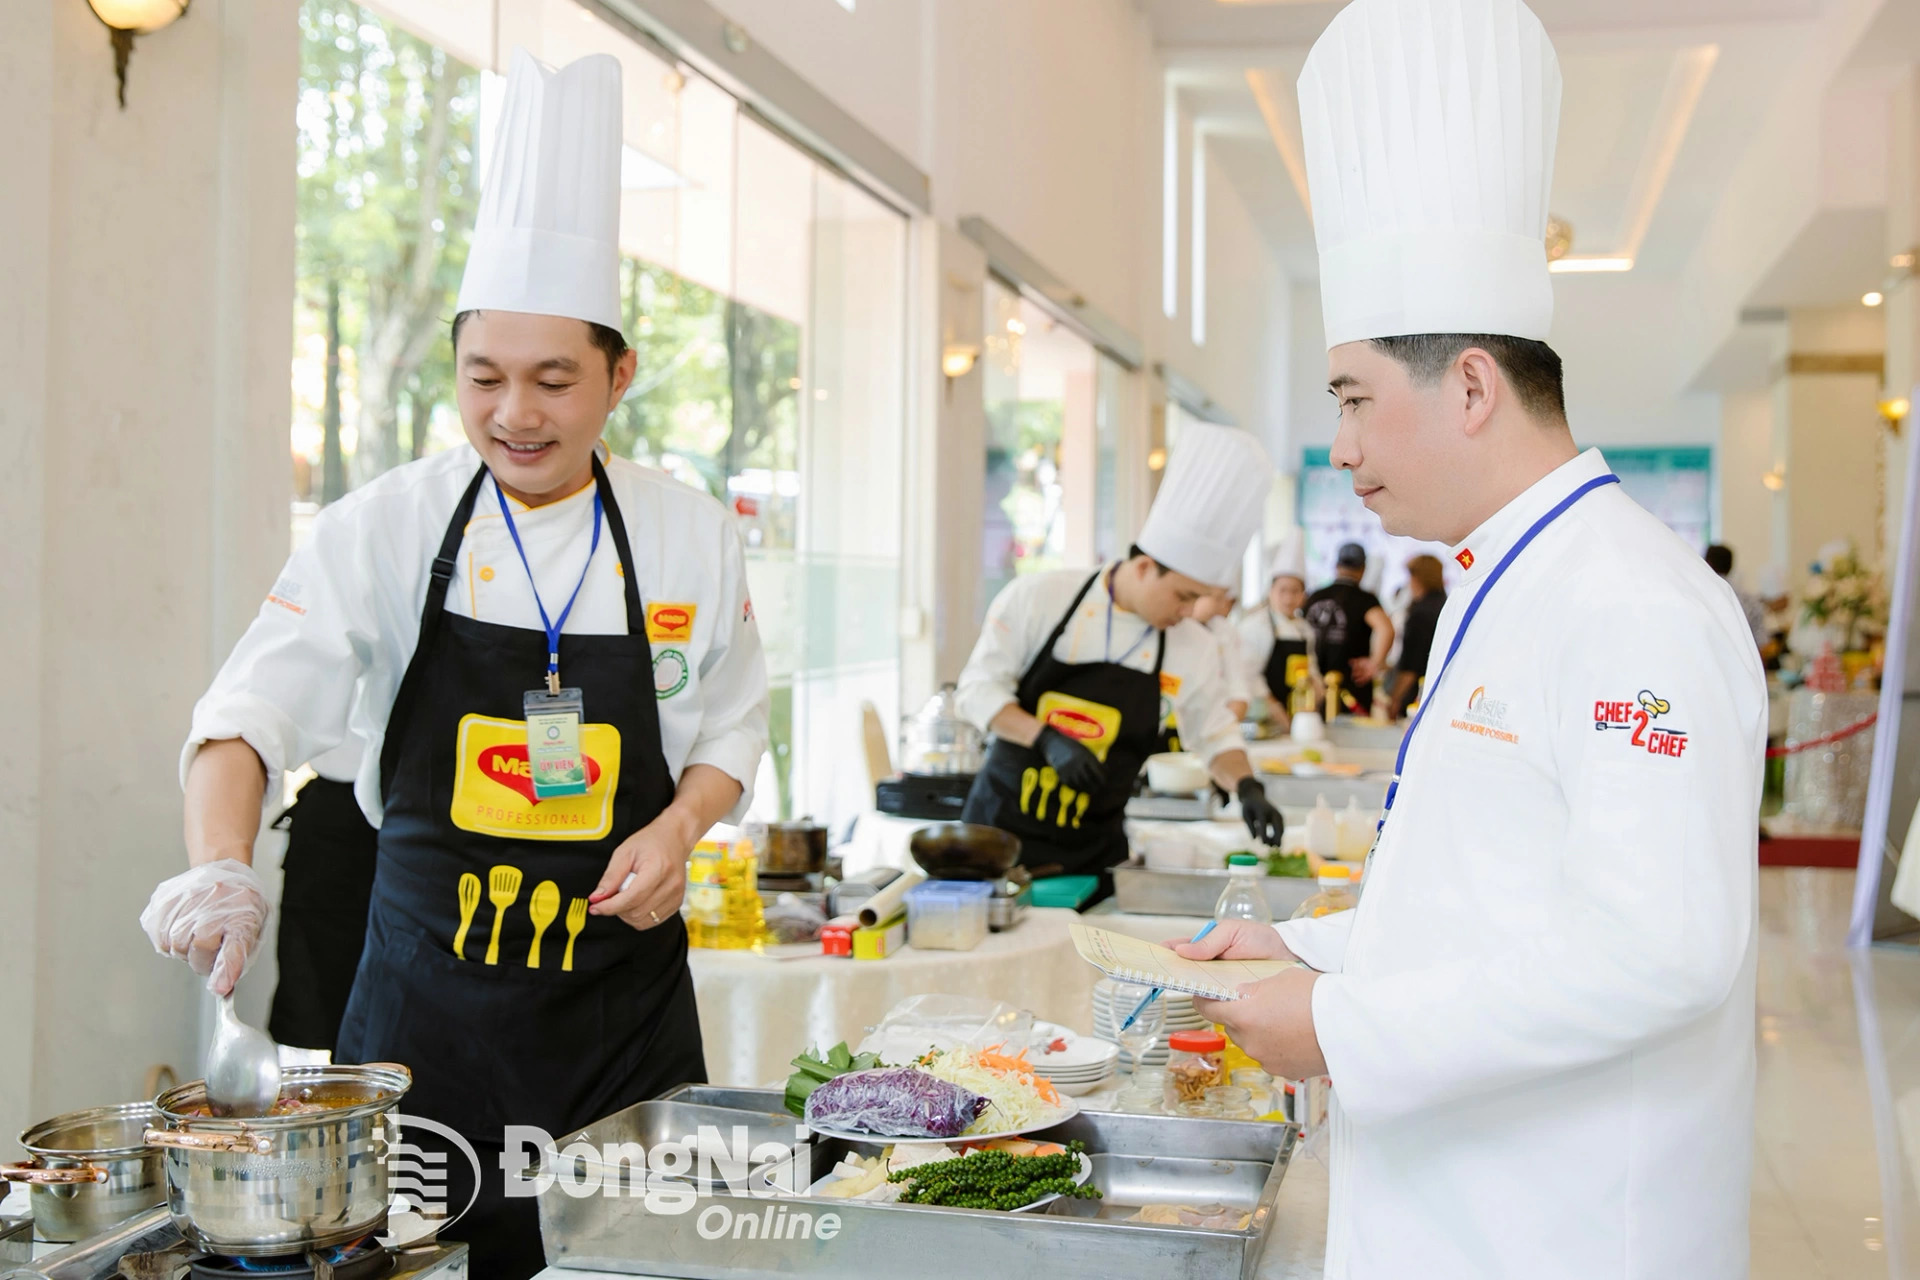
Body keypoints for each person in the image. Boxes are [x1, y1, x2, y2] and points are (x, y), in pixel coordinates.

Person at [137, 50, 770, 1280]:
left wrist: (681, 826)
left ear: (620, 374)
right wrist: (219, 861)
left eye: (554, 380)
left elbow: (731, 728)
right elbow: (249, 712)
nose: (514, 414)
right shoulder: (387, 523)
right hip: (424, 1026)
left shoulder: (690, 533)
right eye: (484, 378)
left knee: (635, 1268)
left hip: (621, 1023)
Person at [1171, 2, 1768, 1277]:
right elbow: (1483, 897)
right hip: (1456, 1207)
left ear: (1474, 385)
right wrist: (1308, 950)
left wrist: (1341, 1024)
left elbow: (1658, 951)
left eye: (1354, 398)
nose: (1342, 446)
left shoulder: (1632, 602)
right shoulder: (1504, 581)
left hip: (1562, 1231)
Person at [955, 423, 1285, 896]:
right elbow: (976, 692)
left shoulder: (1191, 645)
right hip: (997, 842)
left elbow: (1213, 733)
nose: (1189, 612)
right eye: (1184, 596)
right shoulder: (1040, 599)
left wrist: (1246, 786)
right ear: (1145, 567)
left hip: (1093, 855)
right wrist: (1045, 738)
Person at [1304, 542, 1393, 714]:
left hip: (1310, 685)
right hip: (1350, 686)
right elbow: (1385, 629)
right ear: (1363, 569)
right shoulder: (1364, 599)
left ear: (1336, 566)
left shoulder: (1315, 596)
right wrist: (1374, 662)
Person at [1241, 536, 1319, 730]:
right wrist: (1273, 706)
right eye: (1282, 590)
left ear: (1303, 595)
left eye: (1295, 591)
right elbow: (1248, 675)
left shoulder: (1304, 629)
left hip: (1297, 714)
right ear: (1270, 591)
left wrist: (1317, 690)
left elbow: (1311, 667)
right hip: (1262, 718)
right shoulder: (1255, 626)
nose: (1288, 598)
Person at [1386, 554, 1446, 720]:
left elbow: (1412, 662)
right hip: (1440, 690)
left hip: (1416, 696)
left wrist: (1395, 698)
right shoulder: (1446, 604)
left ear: (1417, 578)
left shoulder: (1420, 613)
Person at [1705, 543, 1766, 653]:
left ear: (1707, 563)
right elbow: (1761, 642)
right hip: (1742, 658)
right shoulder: (1749, 601)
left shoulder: (1700, 595)